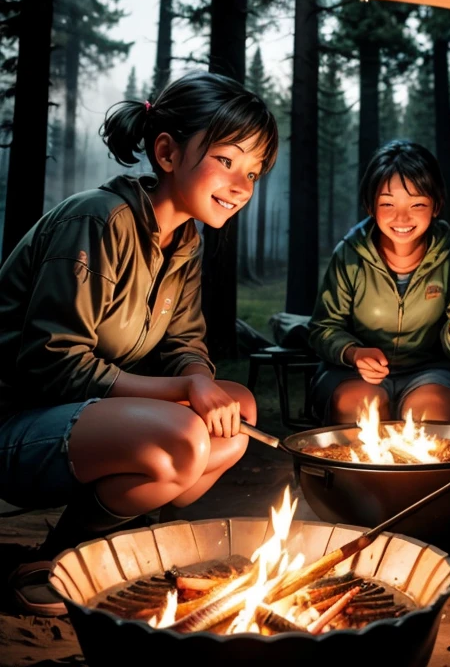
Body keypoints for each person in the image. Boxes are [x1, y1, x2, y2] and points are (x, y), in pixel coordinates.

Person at [0, 71, 279, 616]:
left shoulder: (184, 241)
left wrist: (196, 377)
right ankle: (61, 559)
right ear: (168, 152)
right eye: (226, 160)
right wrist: (183, 390)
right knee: (182, 439)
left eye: (255, 171)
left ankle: (98, 538)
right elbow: (51, 361)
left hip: (80, 415)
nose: (243, 184)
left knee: (236, 409)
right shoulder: (99, 218)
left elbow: (186, 342)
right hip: (18, 423)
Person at [308, 140, 450, 425]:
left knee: (432, 417)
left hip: (428, 370)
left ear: (436, 205)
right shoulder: (351, 255)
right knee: (360, 408)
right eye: (387, 203)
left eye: (417, 204)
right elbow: (322, 328)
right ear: (370, 206)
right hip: (352, 372)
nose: (402, 217)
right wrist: (354, 353)